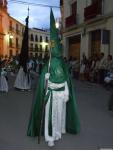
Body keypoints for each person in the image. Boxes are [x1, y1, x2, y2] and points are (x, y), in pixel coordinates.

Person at [27, 9, 80, 147]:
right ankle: (50, 136)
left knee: (59, 114)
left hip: (61, 94)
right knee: (50, 116)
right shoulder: (48, 63)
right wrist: (46, 77)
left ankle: (57, 133)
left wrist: (67, 92)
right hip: (51, 93)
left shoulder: (62, 62)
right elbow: (42, 84)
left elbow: (67, 79)